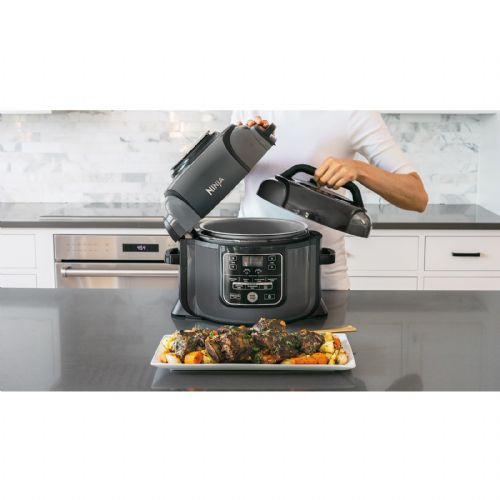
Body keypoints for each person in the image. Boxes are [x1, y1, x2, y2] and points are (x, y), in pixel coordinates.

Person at [231, 111, 428, 290]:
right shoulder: (250, 106)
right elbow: (219, 181)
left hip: (319, 278)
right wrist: (230, 151)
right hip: (246, 269)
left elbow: (417, 197)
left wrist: (359, 169)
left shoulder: (356, 113)